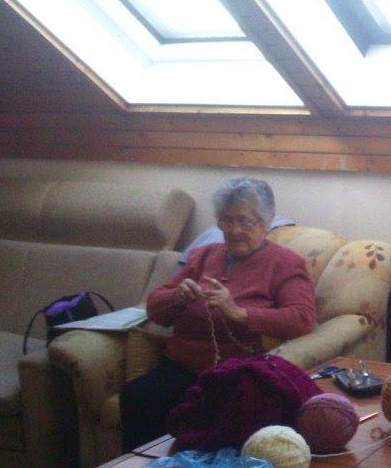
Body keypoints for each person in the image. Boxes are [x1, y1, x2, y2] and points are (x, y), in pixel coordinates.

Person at [120, 176, 316, 450]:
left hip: (237, 372)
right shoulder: (203, 256)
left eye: (244, 221)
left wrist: (239, 313)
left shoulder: (285, 263)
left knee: (224, 415)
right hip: (183, 367)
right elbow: (155, 308)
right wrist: (177, 298)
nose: (235, 230)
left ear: (267, 222)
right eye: (226, 221)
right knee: (137, 396)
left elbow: (302, 318)